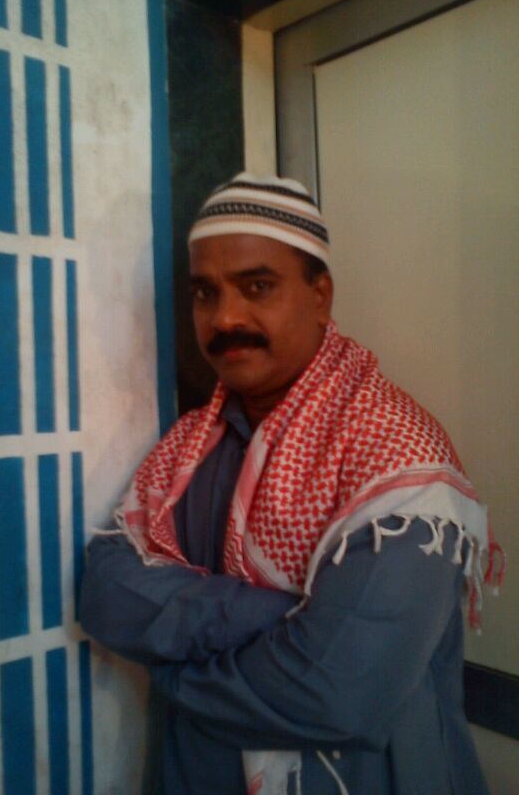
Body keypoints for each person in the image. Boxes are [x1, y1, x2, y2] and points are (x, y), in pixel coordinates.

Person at [80, 173, 503, 795]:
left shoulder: (394, 453)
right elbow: (105, 593)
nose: (225, 317)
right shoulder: (189, 446)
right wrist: (268, 617)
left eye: (257, 286)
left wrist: (170, 676)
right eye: (205, 292)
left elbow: (335, 693)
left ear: (320, 295)